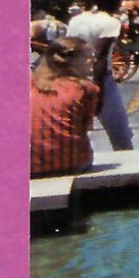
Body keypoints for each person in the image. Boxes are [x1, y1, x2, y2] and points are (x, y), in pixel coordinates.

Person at [63, 0, 135, 152]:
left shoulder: (76, 20)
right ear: (115, 1)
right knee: (121, 135)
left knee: (76, 129)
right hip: (101, 80)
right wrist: (98, 92)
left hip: (73, 77)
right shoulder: (110, 23)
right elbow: (100, 59)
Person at [31, 37, 102, 177]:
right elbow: (85, 127)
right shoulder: (85, 88)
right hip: (71, 163)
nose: (94, 61)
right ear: (70, 62)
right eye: (88, 57)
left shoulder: (27, 83)